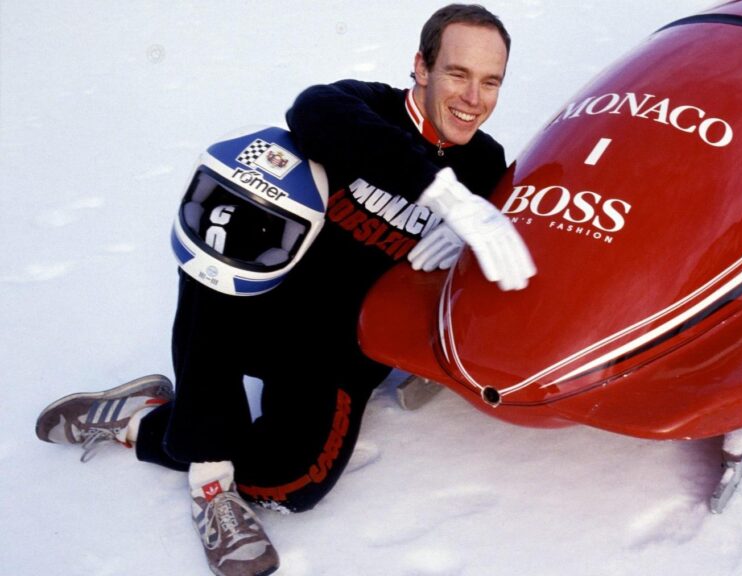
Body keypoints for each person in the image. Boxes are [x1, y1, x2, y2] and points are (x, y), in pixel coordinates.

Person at [34, 5, 534, 576]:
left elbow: (518, 233)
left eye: (490, 82)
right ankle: (210, 484)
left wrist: (468, 237)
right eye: (457, 73)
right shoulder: (363, 106)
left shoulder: (486, 164)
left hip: (338, 351)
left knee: (287, 486)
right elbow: (312, 109)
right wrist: (442, 196)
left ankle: (139, 420)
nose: (473, 97)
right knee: (218, 243)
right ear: (421, 67)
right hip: (263, 312)